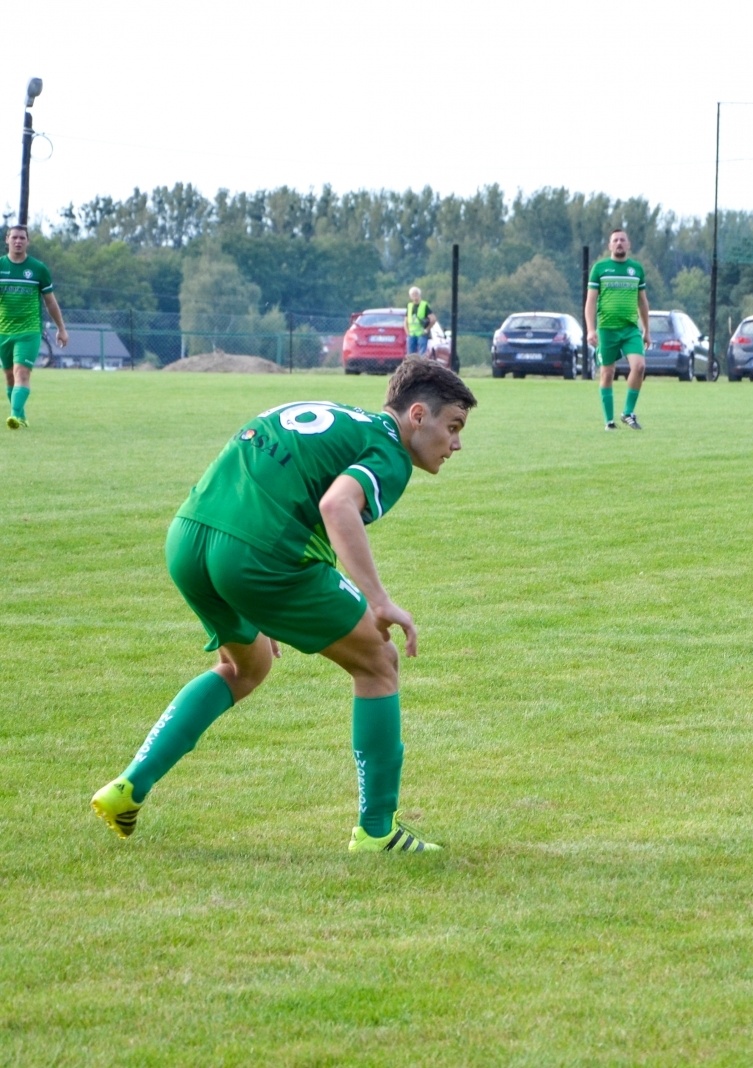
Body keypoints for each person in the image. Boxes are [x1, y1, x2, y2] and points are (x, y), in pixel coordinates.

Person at [91, 359, 478, 852]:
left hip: (189, 537)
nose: (457, 444)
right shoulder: (389, 452)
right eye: (454, 427)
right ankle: (377, 831)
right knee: (379, 663)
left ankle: (128, 788)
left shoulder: (332, 414)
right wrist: (379, 601)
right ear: (417, 415)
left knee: (244, 666)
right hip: (258, 555)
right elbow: (337, 506)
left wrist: (250, 586)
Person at [1, 224, 69, 429]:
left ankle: (13, 415)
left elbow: (50, 302)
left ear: (28, 241)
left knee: (22, 373)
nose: (18, 241)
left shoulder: (38, 269)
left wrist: (61, 328)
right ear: (7, 240)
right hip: (3, 331)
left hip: (29, 331)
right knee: (10, 376)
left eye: (22, 238)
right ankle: (21, 415)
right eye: (14, 238)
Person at [585, 228, 650, 430]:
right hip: (607, 329)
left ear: (628, 245)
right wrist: (590, 329)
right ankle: (609, 421)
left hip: (630, 329)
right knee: (607, 373)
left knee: (639, 366)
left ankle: (628, 413)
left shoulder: (636, 269)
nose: (619, 243)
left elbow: (642, 302)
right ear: (610, 245)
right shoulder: (600, 268)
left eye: (623, 240)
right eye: (615, 240)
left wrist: (647, 329)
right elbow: (590, 302)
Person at [405, 287, 436, 357]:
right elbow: (406, 321)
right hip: (412, 334)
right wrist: (408, 333)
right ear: (410, 296)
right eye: (413, 295)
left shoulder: (424, 305)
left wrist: (427, 330)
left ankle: (421, 367)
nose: (415, 296)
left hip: (421, 334)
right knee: (410, 355)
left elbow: (433, 319)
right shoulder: (409, 306)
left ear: (419, 295)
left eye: (416, 294)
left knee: (422, 354)